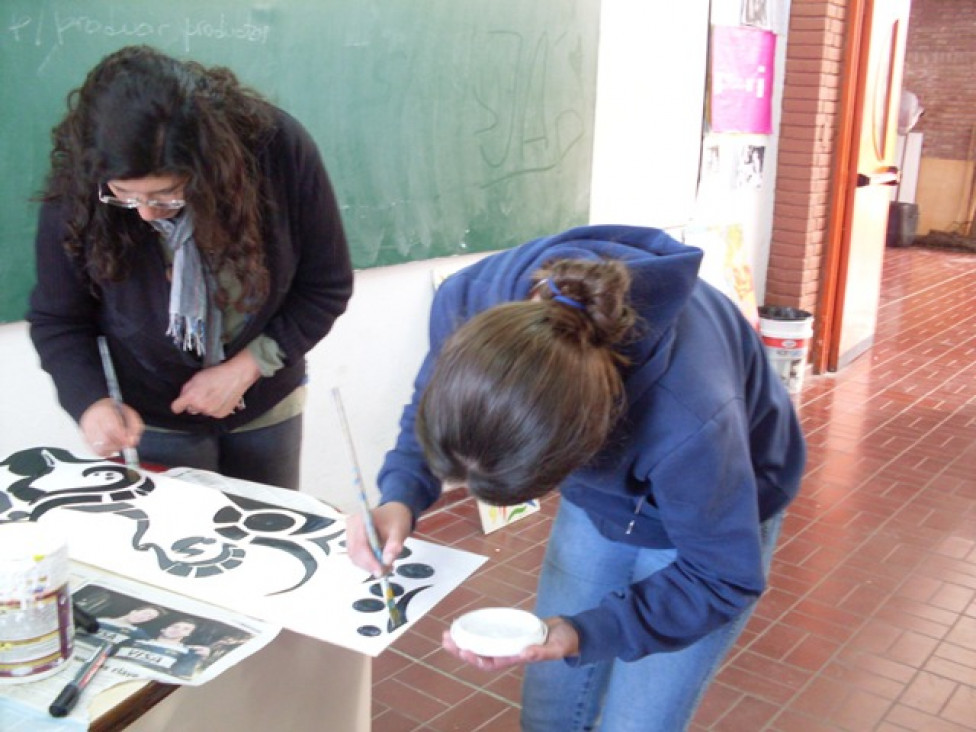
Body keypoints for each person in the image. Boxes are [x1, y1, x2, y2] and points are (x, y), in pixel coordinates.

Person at [346, 225, 806, 731]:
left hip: (720, 503)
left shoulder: (690, 420)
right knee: (550, 707)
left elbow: (720, 577)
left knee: (638, 723)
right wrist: (401, 496)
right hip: (623, 482)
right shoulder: (470, 300)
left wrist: (585, 632)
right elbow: (438, 406)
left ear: (584, 447)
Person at [27, 45, 353, 490]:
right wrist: (90, 403)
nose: (145, 213)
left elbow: (325, 286)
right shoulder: (78, 192)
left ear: (204, 163)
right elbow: (59, 319)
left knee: (271, 540)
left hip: (266, 399)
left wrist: (247, 367)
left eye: (166, 195)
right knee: (177, 547)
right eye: (124, 194)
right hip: (152, 418)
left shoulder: (277, 151)